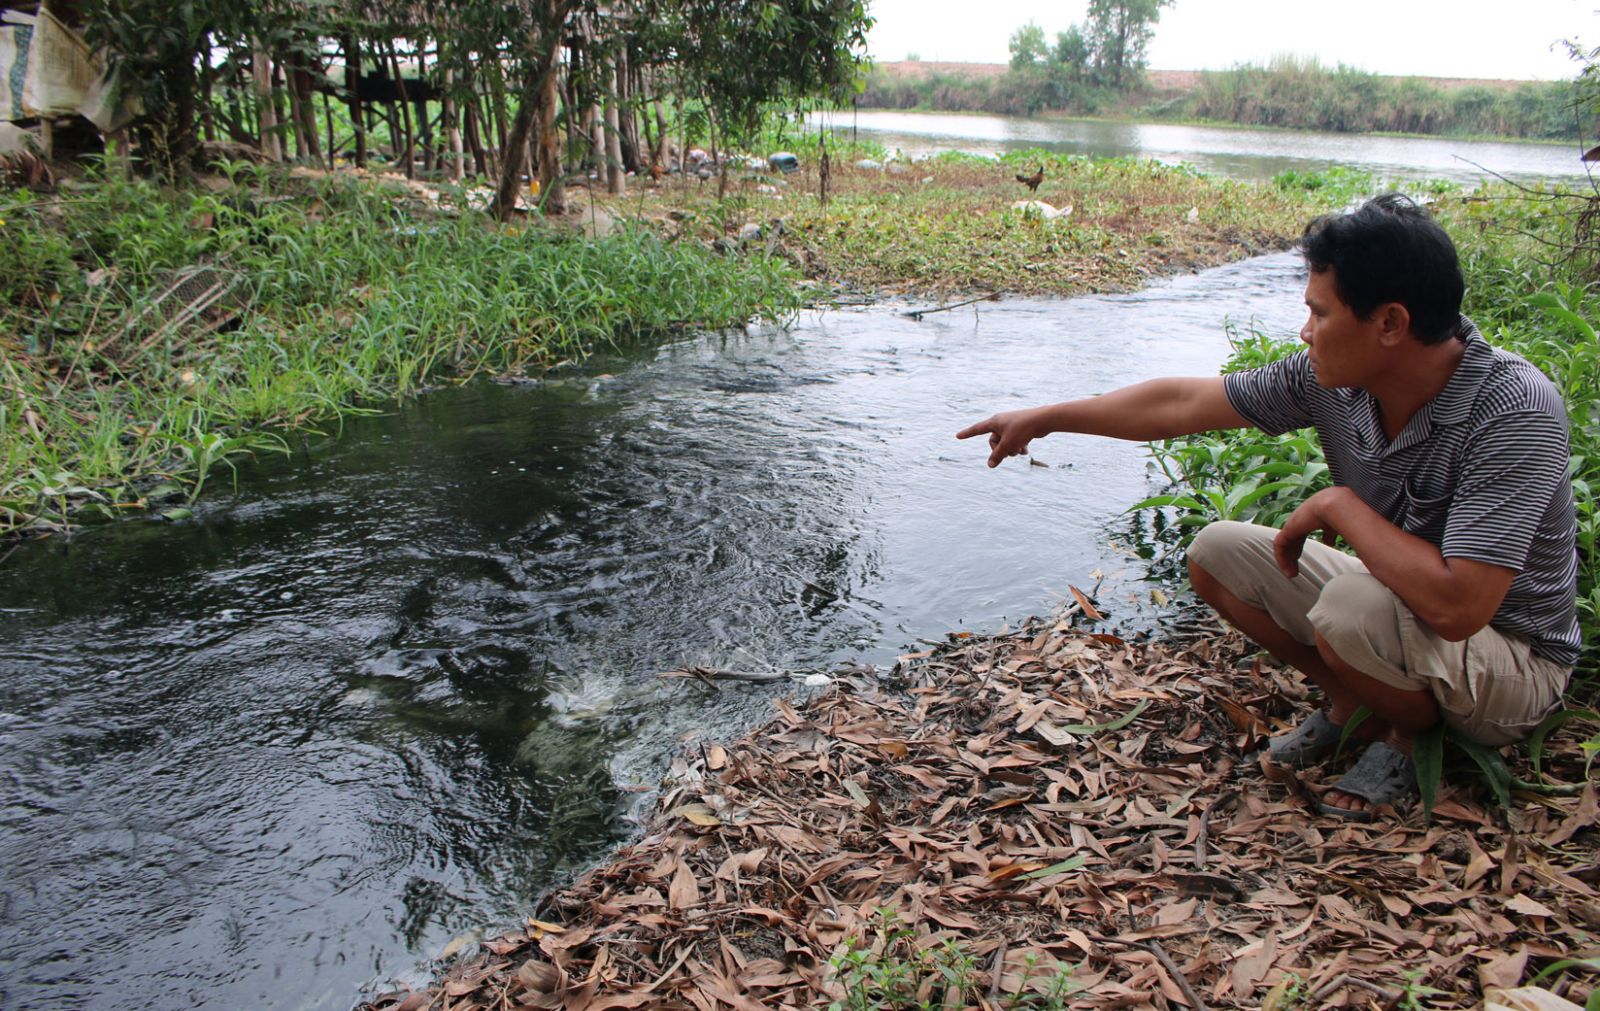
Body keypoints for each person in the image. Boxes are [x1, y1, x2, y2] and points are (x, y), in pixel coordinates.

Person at [957, 194, 1579, 820]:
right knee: (1218, 552)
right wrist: (1048, 417)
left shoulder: (1513, 408)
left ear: (1390, 324)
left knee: (1348, 609)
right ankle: (1354, 709)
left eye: (1319, 313)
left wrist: (1338, 505)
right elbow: (1178, 403)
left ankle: (1409, 736)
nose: (1306, 332)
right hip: (1401, 606)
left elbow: (1459, 607)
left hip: (1512, 660)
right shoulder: (1337, 380)